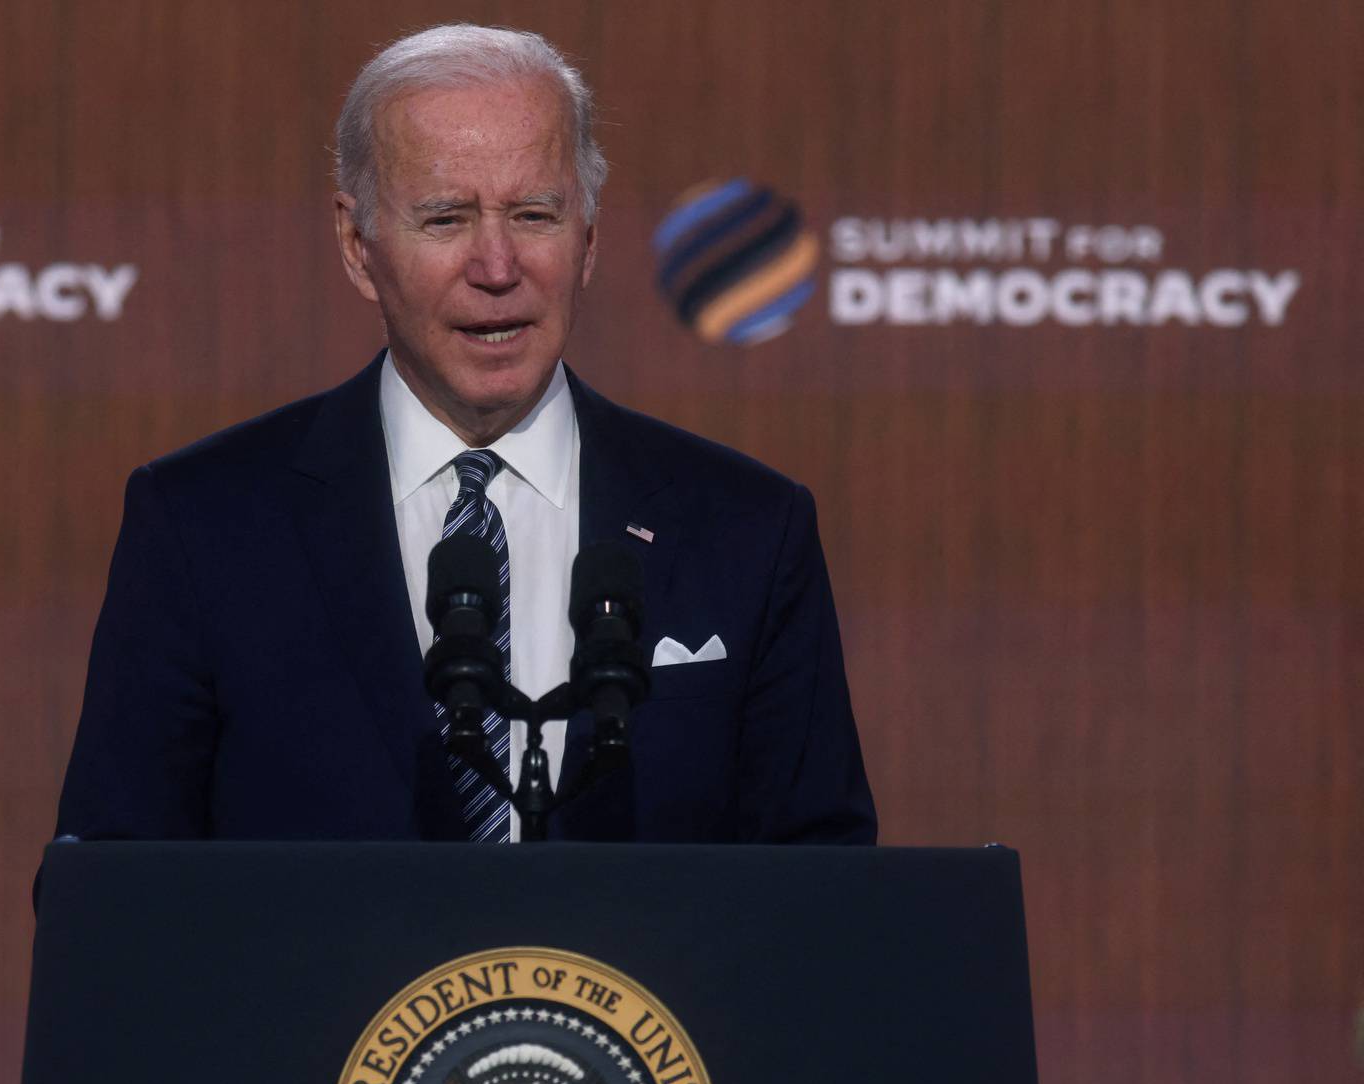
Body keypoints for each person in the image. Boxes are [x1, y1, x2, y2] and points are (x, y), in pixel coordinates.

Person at [52, 24, 874, 858]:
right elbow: (110, 900)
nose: (496, 265)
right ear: (356, 244)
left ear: (588, 236)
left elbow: (829, 908)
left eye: (533, 214)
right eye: (446, 218)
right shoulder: (205, 527)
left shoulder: (748, 530)